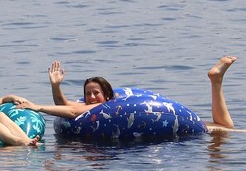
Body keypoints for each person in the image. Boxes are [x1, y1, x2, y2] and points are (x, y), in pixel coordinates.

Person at [17, 56, 243, 132]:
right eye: (88, 94)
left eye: (96, 93)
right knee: (226, 130)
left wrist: (37, 107)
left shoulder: (101, 108)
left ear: (107, 96)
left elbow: (73, 110)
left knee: (228, 131)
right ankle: (216, 81)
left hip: (179, 125)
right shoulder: (90, 108)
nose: (92, 97)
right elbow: (68, 107)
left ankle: (216, 80)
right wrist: (56, 86)